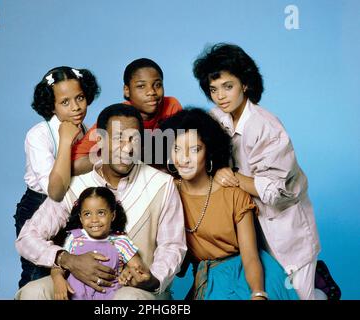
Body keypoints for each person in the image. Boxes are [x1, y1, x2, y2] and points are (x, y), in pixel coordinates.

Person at [15, 103, 186, 300]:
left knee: (127, 299)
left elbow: (172, 245)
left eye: (134, 139)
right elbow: (27, 238)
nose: (128, 148)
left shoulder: (162, 184)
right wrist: (67, 259)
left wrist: (152, 279)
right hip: (78, 286)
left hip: (135, 290)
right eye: (118, 138)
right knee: (33, 292)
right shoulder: (76, 185)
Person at [192, 43, 322, 299]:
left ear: (245, 84)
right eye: (213, 89)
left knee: (296, 294)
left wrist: (231, 177)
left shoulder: (267, 127)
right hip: (248, 233)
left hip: (285, 233)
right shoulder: (216, 118)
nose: (220, 96)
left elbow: (275, 191)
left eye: (228, 86)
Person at [160, 108, 298, 300]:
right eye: (177, 149)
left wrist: (258, 293)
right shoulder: (167, 192)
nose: (184, 159)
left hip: (249, 275)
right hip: (210, 279)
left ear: (209, 152)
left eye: (195, 149)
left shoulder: (234, 194)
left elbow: (250, 256)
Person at [47, 58, 183, 202]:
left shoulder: (171, 106)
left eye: (157, 85)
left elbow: (181, 151)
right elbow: (75, 164)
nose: (151, 92)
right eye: (141, 86)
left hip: (160, 180)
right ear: (127, 90)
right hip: (125, 185)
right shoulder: (116, 118)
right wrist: (116, 154)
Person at [13, 66, 100, 288]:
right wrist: (66, 141)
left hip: (71, 206)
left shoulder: (86, 130)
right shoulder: (38, 135)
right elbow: (55, 190)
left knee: (67, 276)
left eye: (79, 97)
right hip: (39, 204)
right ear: (51, 105)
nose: (76, 107)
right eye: (65, 102)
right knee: (36, 275)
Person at [50, 186, 148, 300]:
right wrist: (58, 278)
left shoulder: (121, 242)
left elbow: (138, 269)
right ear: (81, 218)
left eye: (101, 213)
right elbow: (60, 266)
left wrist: (128, 272)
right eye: (87, 214)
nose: (94, 220)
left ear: (112, 215)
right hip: (76, 296)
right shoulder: (74, 239)